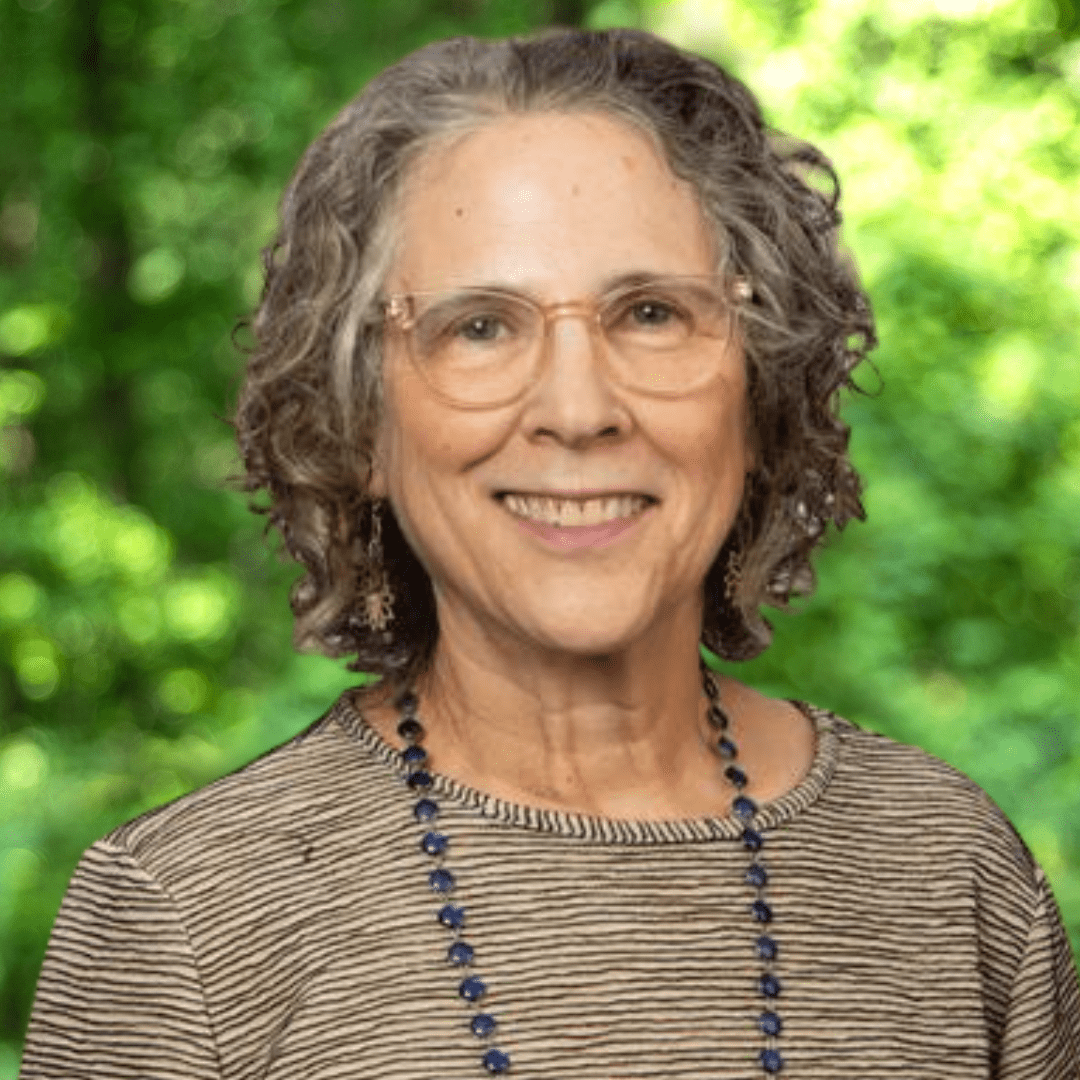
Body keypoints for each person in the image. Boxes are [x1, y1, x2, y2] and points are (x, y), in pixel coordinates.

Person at [18, 25, 1080, 1080]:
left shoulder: (947, 871)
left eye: (651, 313)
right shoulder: (186, 917)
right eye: (480, 327)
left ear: (758, 393)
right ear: (361, 421)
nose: (577, 409)